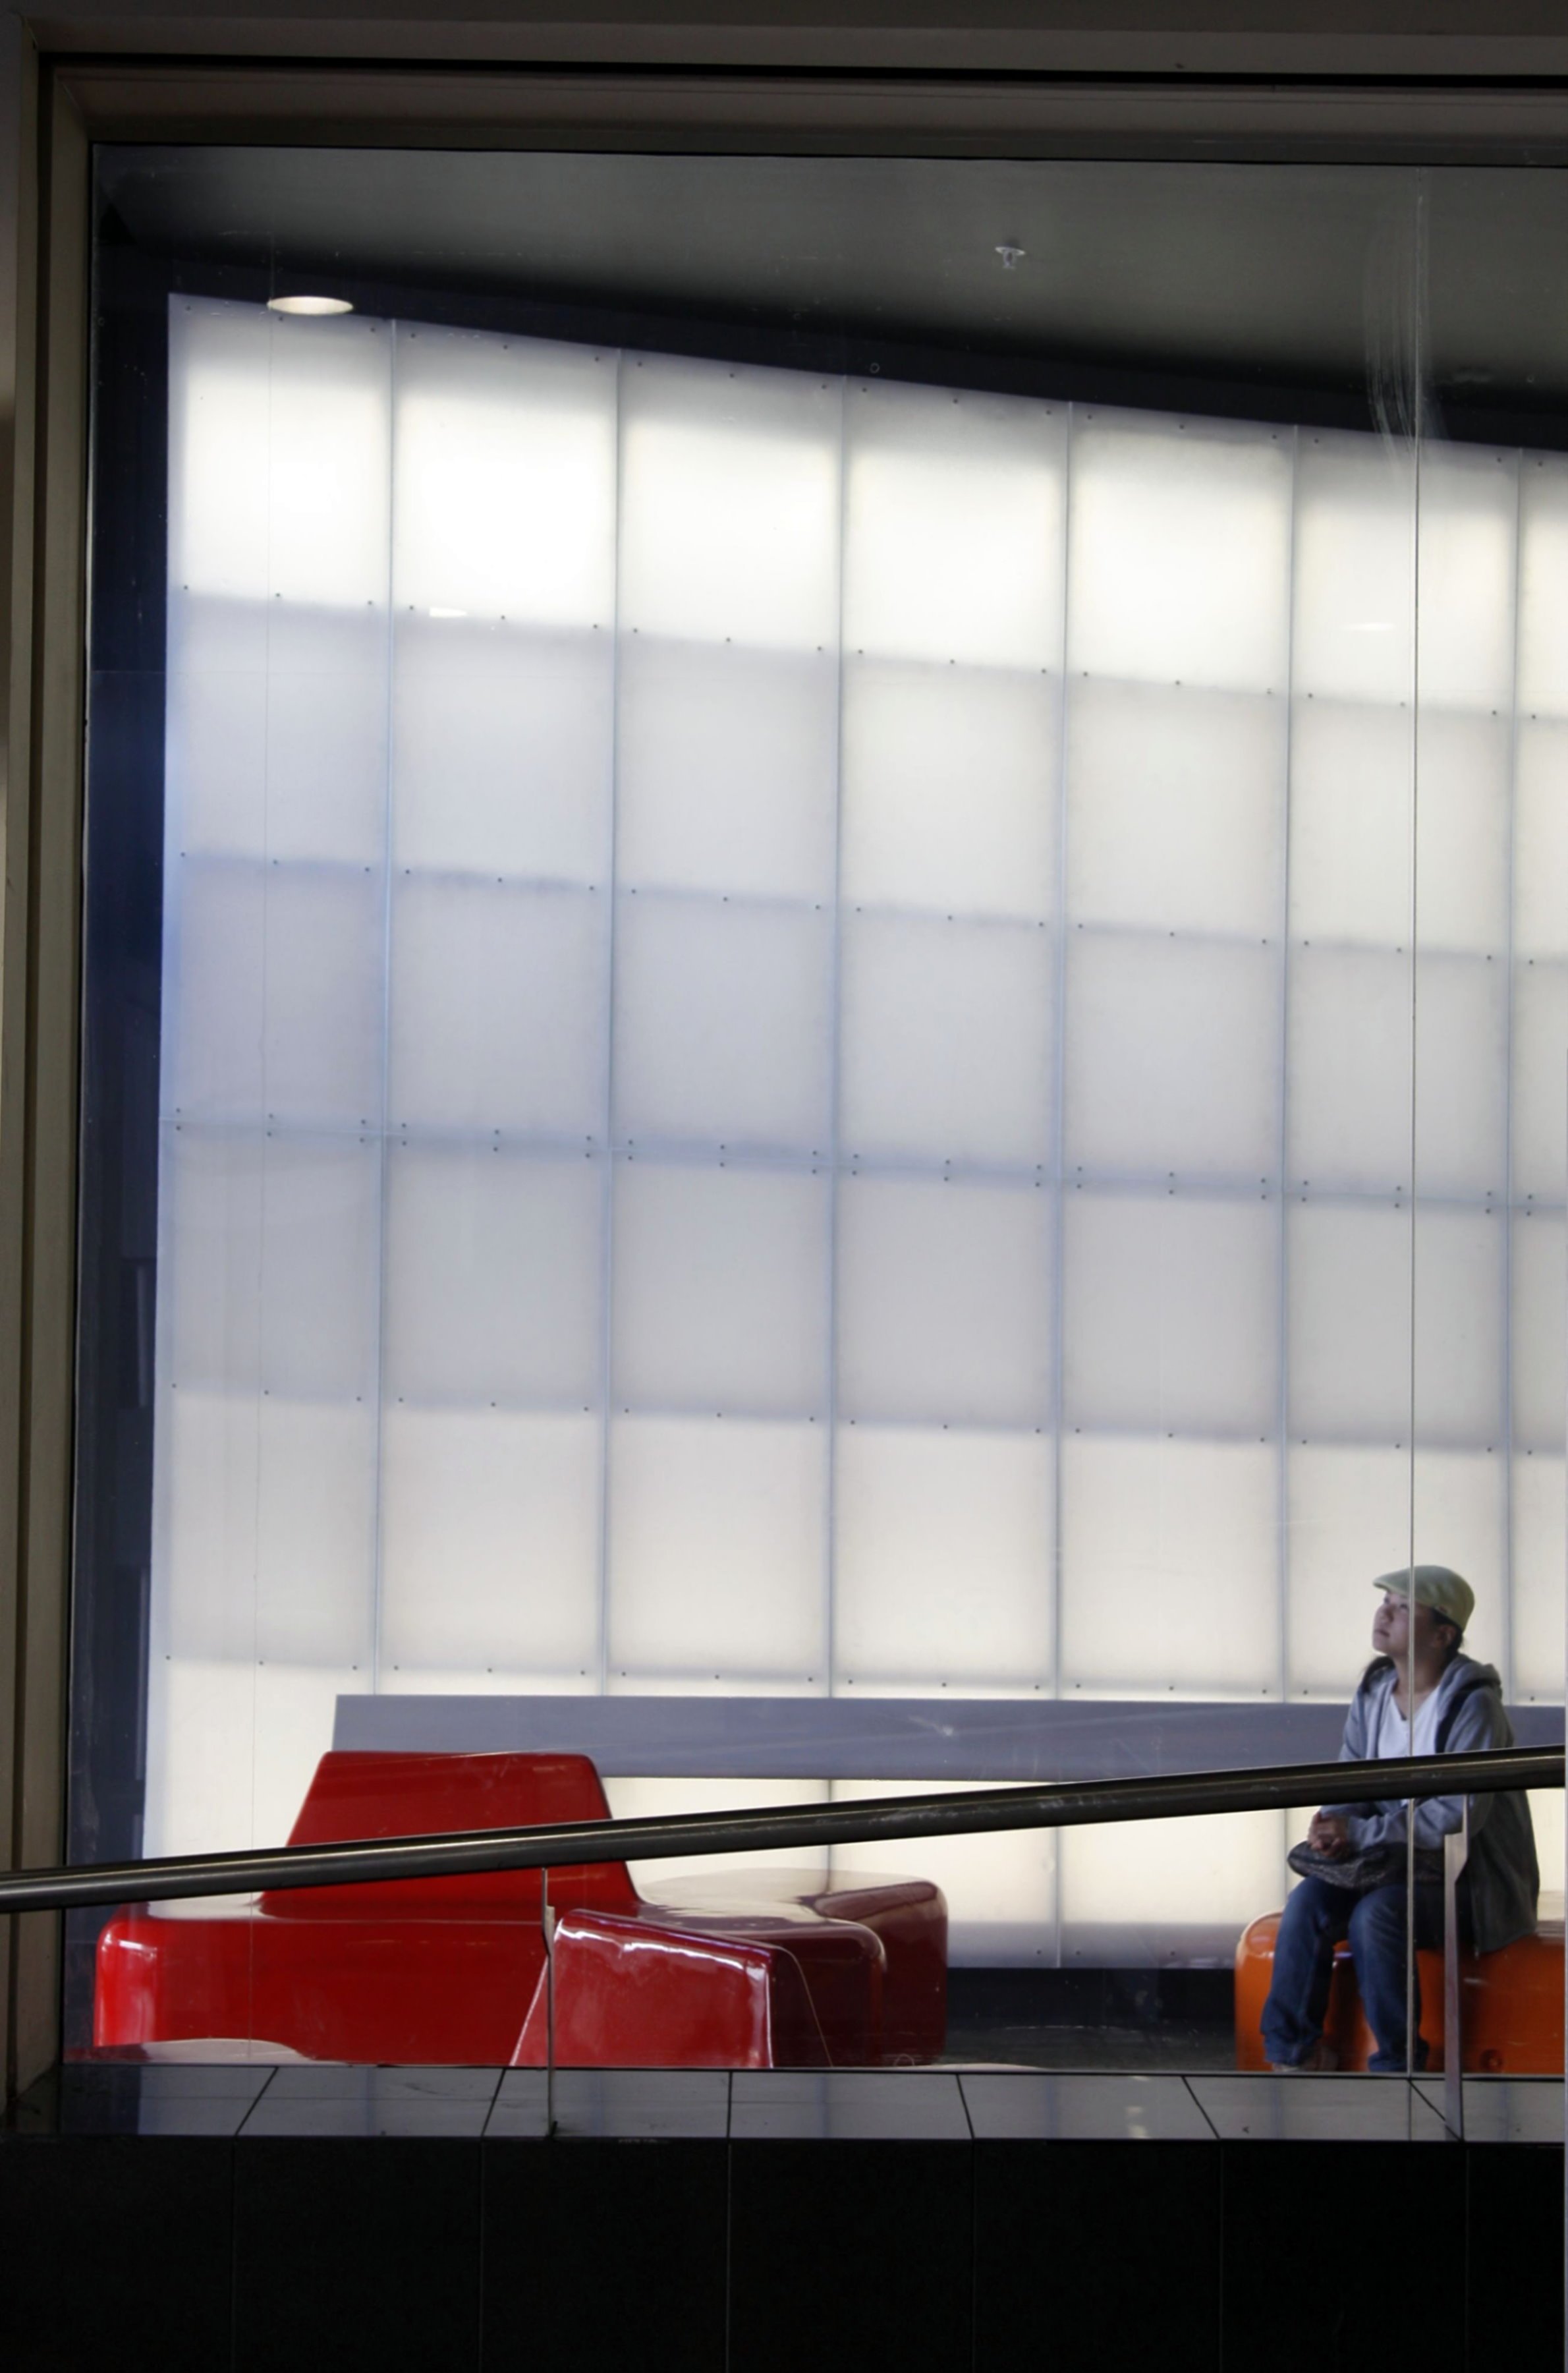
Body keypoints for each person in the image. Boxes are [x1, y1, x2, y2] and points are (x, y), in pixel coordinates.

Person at [1261, 1564, 1538, 2073]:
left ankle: (1397, 2065)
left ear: (1442, 1634)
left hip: (1463, 1881)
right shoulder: (1374, 1691)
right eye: (1386, 1600)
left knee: (1379, 1915)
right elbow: (1351, 1779)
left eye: (1404, 1606)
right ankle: (1289, 2056)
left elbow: (1458, 1816)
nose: (1384, 1612)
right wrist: (1333, 1823)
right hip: (1388, 1865)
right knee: (1305, 1904)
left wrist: (1360, 1831)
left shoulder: (1473, 1704)